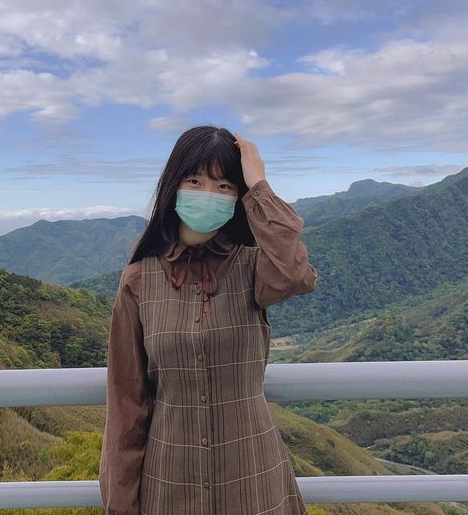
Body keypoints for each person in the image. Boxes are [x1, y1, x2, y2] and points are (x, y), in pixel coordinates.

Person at [99, 124, 318, 515]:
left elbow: (295, 274)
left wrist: (259, 186)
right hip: (169, 482)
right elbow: (127, 402)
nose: (208, 194)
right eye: (195, 181)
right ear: (173, 187)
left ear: (237, 196)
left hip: (253, 477)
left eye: (224, 185)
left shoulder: (253, 267)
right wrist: (121, 502)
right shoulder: (139, 280)